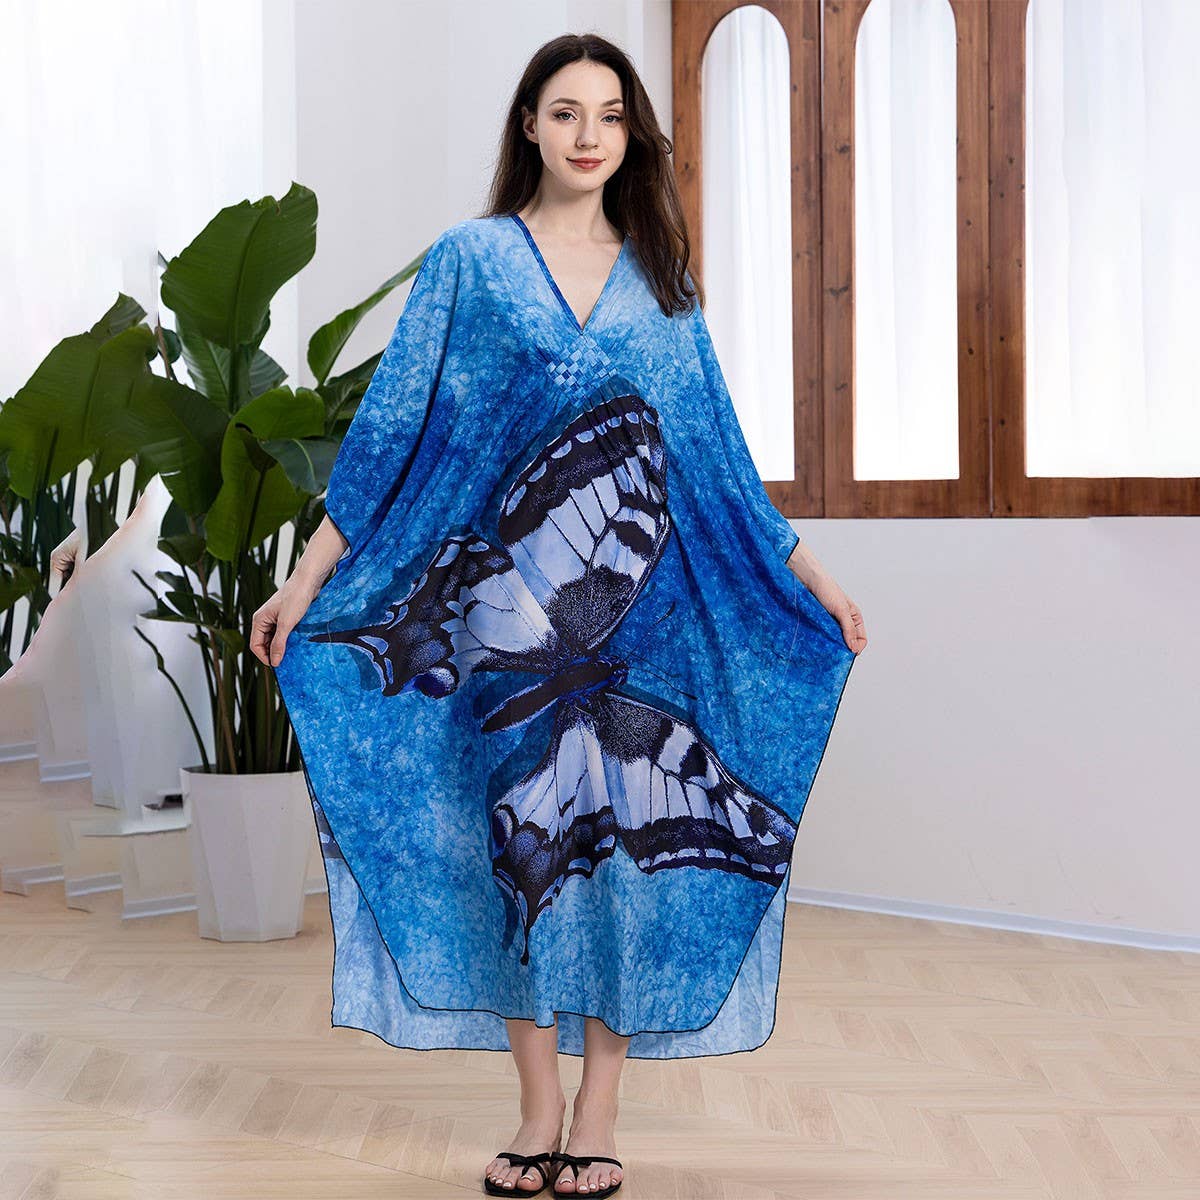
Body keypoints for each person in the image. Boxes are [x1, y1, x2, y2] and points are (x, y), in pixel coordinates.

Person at [252, 33, 866, 1200]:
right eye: (567, 112)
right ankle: (537, 1109)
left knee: (617, 869)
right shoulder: (472, 262)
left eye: (612, 115)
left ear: (633, 136)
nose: (590, 135)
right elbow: (391, 435)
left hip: (647, 634)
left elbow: (717, 458)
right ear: (529, 126)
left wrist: (812, 575)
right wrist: (307, 579)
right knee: (511, 865)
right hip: (496, 626)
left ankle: (599, 1111)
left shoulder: (662, 280)